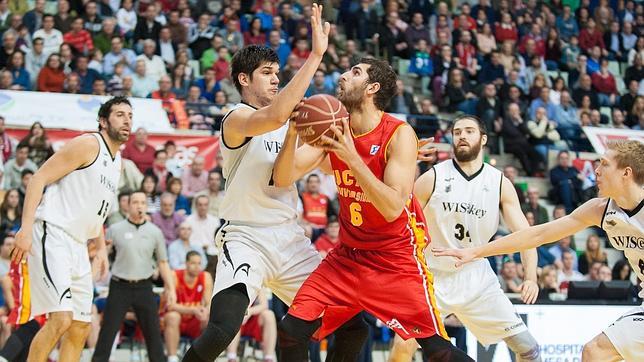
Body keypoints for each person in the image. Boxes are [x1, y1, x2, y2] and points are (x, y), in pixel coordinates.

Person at [182, 5, 368, 361]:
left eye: (276, 72)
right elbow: (278, 112)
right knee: (223, 328)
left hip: (289, 239)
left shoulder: (287, 127)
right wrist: (315, 56)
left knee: (353, 324)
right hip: (246, 236)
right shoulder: (235, 118)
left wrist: (378, 151)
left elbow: (315, 167)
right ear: (243, 79)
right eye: (266, 73)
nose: (274, 79)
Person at [272, 57, 473, 360]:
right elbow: (283, 176)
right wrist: (291, 133)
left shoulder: (399, 133)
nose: (342, 76)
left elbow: (393, 207)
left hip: (394, 259)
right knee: (291, 331)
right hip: (347, 257)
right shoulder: (334, 129)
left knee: (436, 350)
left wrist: (353, 159)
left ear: (372, 88)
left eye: (354, 73)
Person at [433, 140, 644, 362]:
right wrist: (476, 252)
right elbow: (536, 235)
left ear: (626, 173)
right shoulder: (600, 210)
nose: (597, 170)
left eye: (604, 164)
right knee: (594, 352)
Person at [390, 115, 540, 362]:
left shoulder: (499, 183)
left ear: (483, 139)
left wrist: (531, 277)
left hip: (476, 277)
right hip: (432, 276)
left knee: (529, 349)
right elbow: (399, 222)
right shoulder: (432, 177)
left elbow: (526, 236)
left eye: (469, 131)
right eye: (457, 131)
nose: (461, 136)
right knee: (403, 345)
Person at [10, 96, 131, 362]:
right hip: (53, 233)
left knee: (80, 326)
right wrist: (25, 229)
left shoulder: (116, 161)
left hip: (78, 244)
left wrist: (99, 249)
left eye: (130, 116)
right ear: (103, 120)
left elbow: (96, 211)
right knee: (60, 319)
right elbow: (39, 178)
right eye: (120, 114)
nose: (127, 120)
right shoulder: (88, 144)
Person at [91, 191, 176, 362]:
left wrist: (171, 287)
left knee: (152, 332)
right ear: (128, 206)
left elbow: (163, 263)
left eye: (143, 203)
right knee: (108, 329)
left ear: (147, 206)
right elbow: (100, 254)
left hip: (144, 286)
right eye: (135, 202)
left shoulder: (154, 232)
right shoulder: (115, 229)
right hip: (119, 285)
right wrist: (91, 278)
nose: (139, 206)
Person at [163, 251, 213, 362]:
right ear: (186, 263)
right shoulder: (174, 275)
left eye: (199, 263)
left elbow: (209, 303)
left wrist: (205, 311)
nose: (197, 267)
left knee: (209, 318)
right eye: (193, 263)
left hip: (193, 320)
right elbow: (170, 306)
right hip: (175, 320)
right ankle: (172, 358)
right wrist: (193, 310)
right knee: (173, 316)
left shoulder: (206, 276)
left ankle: (205, 357)